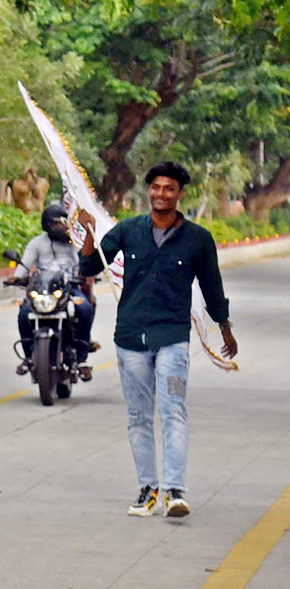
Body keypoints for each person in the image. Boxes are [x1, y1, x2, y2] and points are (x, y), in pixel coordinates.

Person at [78, 161, 237, 519]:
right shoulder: (128, 231)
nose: (161, 194)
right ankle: (147, 489)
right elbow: (88, 267)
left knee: (173, 411)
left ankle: (175, 491)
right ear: (148, 191)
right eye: (156, 188)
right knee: (138, 416)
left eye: (169, 189)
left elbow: (212, 287)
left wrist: (224, 326)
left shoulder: (197, 239)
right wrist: (88, 232)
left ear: (180, 194)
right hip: (131, 337)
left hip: (173, 338)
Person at [13, 203, 96, 378]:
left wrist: (88, 274)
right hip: (43, 289)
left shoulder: (76, 242)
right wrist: (17, 277)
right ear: (48, 225)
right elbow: (25, 264)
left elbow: (86, 262)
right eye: (59, 223)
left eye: (66, 223)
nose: (64, 226)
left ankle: (82, 359)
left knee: (85, 308)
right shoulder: (37, 243)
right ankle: (28, 357)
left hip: (69, 287)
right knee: (23, 313)